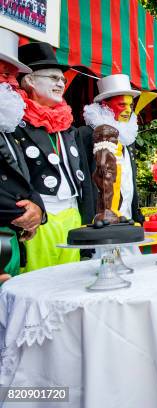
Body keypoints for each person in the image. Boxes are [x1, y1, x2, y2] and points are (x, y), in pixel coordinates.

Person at [14, 42, 93, 271]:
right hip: (40, 217)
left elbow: (84, 178)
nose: (60, 83)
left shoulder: (68, 127)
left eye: (63, 80)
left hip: (72, 214)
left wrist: (87, 221)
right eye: (52, 77)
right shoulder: (16, 123)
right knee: (37, 283)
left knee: (70, 281)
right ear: (29, 80)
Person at [0, 27, 45, 279]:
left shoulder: (9, 127)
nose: (12, 84)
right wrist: (22, 213)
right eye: (4, 74)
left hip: (10, 241)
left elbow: (25, 178)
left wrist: (37, 209)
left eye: (14, 77)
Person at [79, 74, 143, 225]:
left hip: (126, 220)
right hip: (99, 222)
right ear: (105, 105)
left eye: (130, 106)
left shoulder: (127, 138)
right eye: (122, 105)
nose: (128, 111)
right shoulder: (86, 134)